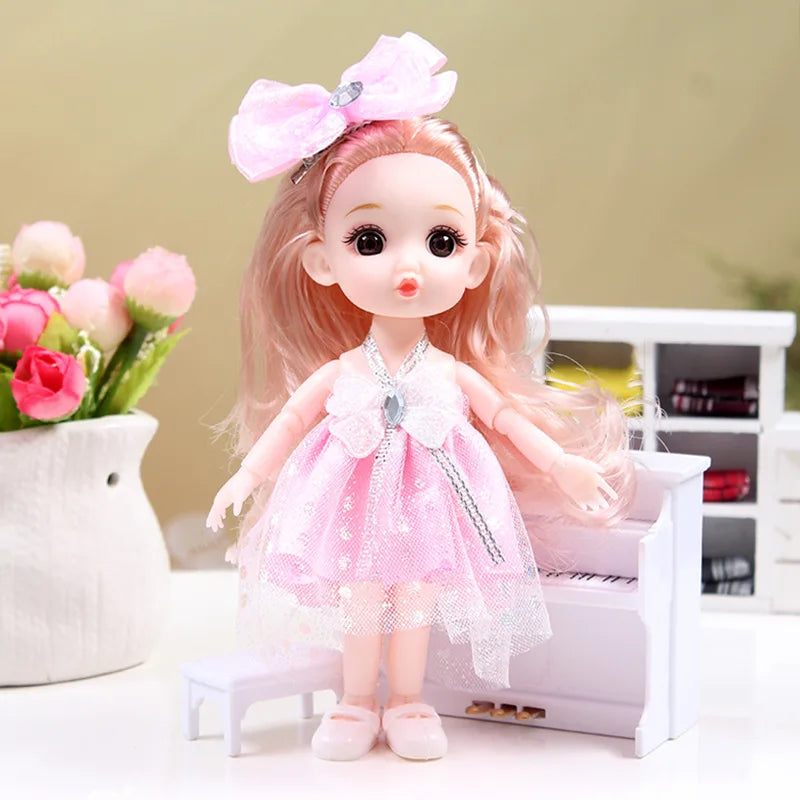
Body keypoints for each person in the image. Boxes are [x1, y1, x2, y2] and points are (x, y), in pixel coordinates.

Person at [207, 32, 633, 762]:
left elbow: (502, 417)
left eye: (441, 241)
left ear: (476, 264)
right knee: (360, 601)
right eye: (370, 240)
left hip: (433, 511)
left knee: (415, 603)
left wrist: (560, 462)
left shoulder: (449, 372)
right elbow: (294, 419)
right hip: (351, 507)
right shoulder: (345, 370)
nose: (409, 266)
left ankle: (405, 701)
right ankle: (354, 702)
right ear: (322, 261)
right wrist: (246, 476)